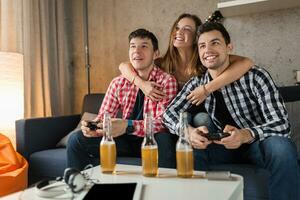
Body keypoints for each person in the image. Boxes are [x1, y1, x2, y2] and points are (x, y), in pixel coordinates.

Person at [163, 21, 300, 200]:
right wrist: (189, 132)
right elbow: (168, 113)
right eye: (202, 45)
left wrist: (244, 135)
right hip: (222, 147)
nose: (208, 50)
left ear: (229, 47)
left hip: (257, 145)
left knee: (282, 147)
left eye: (215, 43)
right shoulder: (197, 82)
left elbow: (281, 124)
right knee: (191, 144)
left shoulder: (256, 77)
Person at [66, 28, 177, 170]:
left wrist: (128, 125)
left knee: (164, 139)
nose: (137, 51)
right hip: (123, 139)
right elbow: (104, 117)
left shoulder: (167, 81)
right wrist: (94, 127)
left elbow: (163, 123)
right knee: (76, 139)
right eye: (133, 46)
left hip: (152, 140)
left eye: (144, 46)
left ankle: (163, 189)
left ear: (156, 54)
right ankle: (78, 185)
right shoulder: (118, 82)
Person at [119, 13, 253, 105]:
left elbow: (246, 62)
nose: (179, 32)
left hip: (200, 111)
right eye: (177, 28)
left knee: (201, 119)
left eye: (187, 29)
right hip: (171, 114)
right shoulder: (163, 63)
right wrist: (142, 85)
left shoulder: (206, 60)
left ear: (197, 37)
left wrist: (207, 89)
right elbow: (123, 66)